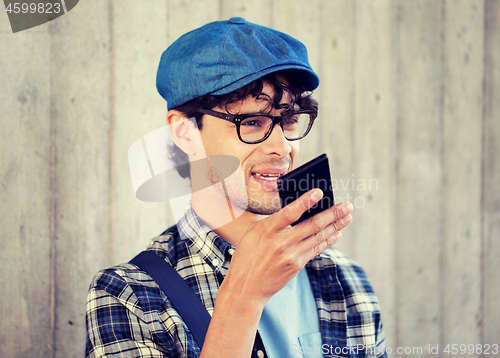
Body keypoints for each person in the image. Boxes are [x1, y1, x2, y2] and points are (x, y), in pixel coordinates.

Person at [85, 17, 387, 358]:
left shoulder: (346, 281)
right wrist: (244, 296)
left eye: (287, 121)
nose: (283, 147)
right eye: (252, 122)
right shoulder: (130, 296)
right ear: (184, 132)